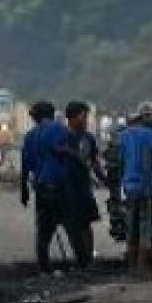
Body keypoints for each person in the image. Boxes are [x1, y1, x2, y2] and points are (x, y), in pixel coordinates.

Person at [19, 101, 85, 273]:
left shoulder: (30, 135)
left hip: (40, 186)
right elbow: (59, 148)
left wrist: (24, 191)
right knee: (72, 225)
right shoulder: (58, 128)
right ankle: (82, 264)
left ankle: (44, 267)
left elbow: (25, 165)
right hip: (58, 184)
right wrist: (79, 159)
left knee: (44, 229)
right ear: (51, 113)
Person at [119, 101, 152, 279]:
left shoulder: (124, 135)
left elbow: (122, 161)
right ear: (148, 116)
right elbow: (151, 161)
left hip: (128, 186)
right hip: (145, 186)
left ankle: (131, 270)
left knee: (131, 227)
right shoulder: (151, 135)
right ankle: (143, 269)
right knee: (145, 227)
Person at [64, 101, 106, 268]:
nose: (86, 119)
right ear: (72, 118)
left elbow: (95, 162)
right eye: (83, 116)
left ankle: (88, 258)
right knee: (74, 224)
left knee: (86, 222)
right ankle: (81, 258)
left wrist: (105, 180)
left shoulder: (88, 138)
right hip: (68, 186)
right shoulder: (64, 137)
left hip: (83, 186)